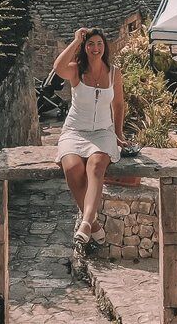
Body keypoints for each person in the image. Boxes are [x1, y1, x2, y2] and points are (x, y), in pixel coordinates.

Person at [53, 27, 126, 245]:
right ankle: (92, 223)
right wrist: (76, 40)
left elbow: (119, 104)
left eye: (99, 44)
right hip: (74, 130)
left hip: (103, 132)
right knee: (72, 167)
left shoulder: (114, 72)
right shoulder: (76, 70)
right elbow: (57, 68)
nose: (95, 48)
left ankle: (85, 223)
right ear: (85, 48)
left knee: (96, 165)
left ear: (105, 47)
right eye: (90, 44)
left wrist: (118, 132)